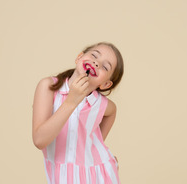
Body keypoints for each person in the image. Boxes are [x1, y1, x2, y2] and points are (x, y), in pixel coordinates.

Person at [32, 42, 124, 184]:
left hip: (100, 175)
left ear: (105, 84)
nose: (96, 63)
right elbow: (39, 140)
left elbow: (112, 111)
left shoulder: (98, 103)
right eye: (94, 55)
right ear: (79, 58)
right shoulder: (49, 87)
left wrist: (95, 146)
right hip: (64, 177)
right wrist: (71, 101)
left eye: (105, 67)